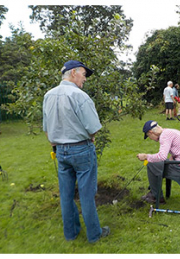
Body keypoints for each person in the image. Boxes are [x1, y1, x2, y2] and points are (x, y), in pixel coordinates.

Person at [42, 60, 110, 243]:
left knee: (66, 195)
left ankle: (70, 234)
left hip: (60, 152)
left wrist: (57, 142)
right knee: (87, 195)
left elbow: (47, 129)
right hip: (81, 150)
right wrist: (90, 136)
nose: (85, 79)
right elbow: (94, 128)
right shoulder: (79, 96)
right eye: (84, 75)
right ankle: (94, 235)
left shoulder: (48, 95)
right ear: (73, 73)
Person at [136, 120, 180, 204]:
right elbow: (178, 149)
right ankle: (154, 192)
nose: (151, 139)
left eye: (149, 136)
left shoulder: (164, 136)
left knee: (151, 164)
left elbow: (162, 156)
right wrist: (172, 157)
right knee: (156, 164)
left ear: (151, 132)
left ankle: (156, 196)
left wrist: (146, 156)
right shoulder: (169, 131)